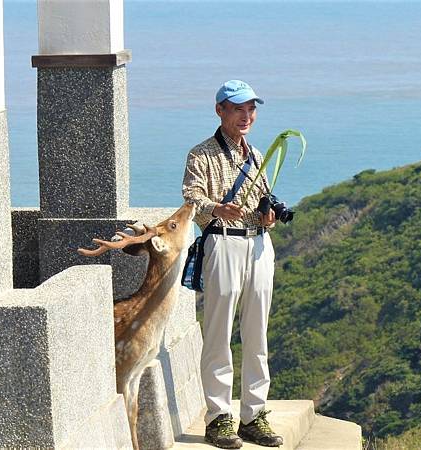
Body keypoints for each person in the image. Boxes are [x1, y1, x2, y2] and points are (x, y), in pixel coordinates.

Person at [182, 80, 284, 448]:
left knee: (257, 333)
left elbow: (262, 199)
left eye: (251, 109)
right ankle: (219, 417)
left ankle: (254, 415)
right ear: (220, 111)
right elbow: (191, 197)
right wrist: (216, 208)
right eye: (238, 109)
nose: (246, 116)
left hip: (258, 245)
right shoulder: (201, 154)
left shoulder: (256, 155)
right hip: (222, 243)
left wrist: (267, 216)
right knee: (219, 331)